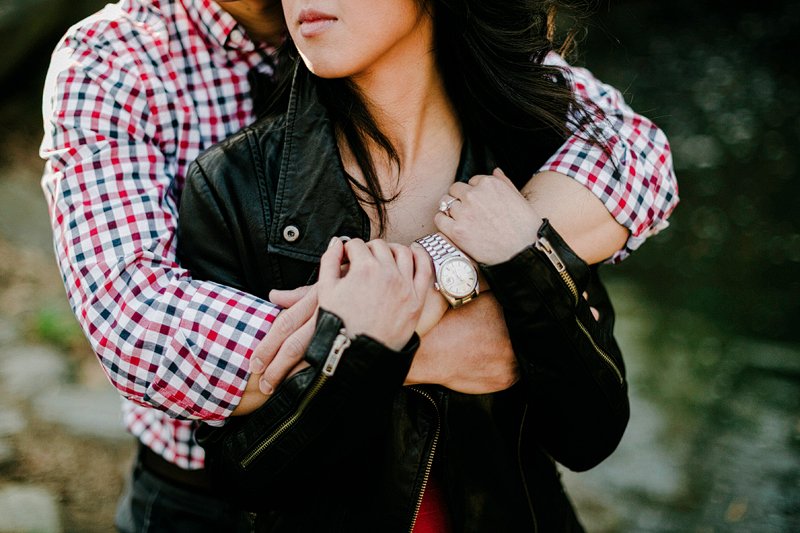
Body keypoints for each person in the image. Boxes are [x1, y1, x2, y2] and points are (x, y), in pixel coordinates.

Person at [38, 0, 677, 530]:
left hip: (491, 490)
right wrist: (377, 339)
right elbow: (138, 326)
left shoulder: (493, 110)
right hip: (212, 501)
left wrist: (446, 269)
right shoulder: (119, 62)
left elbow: (630, 150)